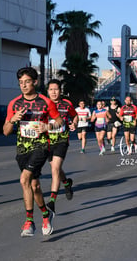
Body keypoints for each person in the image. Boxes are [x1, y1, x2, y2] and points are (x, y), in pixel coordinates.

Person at [3, 67, 62, 237]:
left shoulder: (46, 102)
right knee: (34, 186)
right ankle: (46, 214)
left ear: (35, 82)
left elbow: (59, 121)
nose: (23, 85)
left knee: (24, 180)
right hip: (22, 149)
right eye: (21, 82)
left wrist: (48, 126)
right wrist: (12, 120)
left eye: (27, 82)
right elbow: (6, 131)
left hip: (41, 146)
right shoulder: (14, 104)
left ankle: (29, 221)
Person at [45, 79, 77, 214]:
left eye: (56, 89)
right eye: (51, 89)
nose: (53, 92)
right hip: (47, 141)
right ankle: (66, 183)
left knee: (55, 169)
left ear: (60, 91)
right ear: (47, 91)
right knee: (56, 168)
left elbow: (74, 116)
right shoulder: (43, 104)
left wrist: (74, 124)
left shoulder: (66, 104)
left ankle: (52, 201)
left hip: (62, 140)